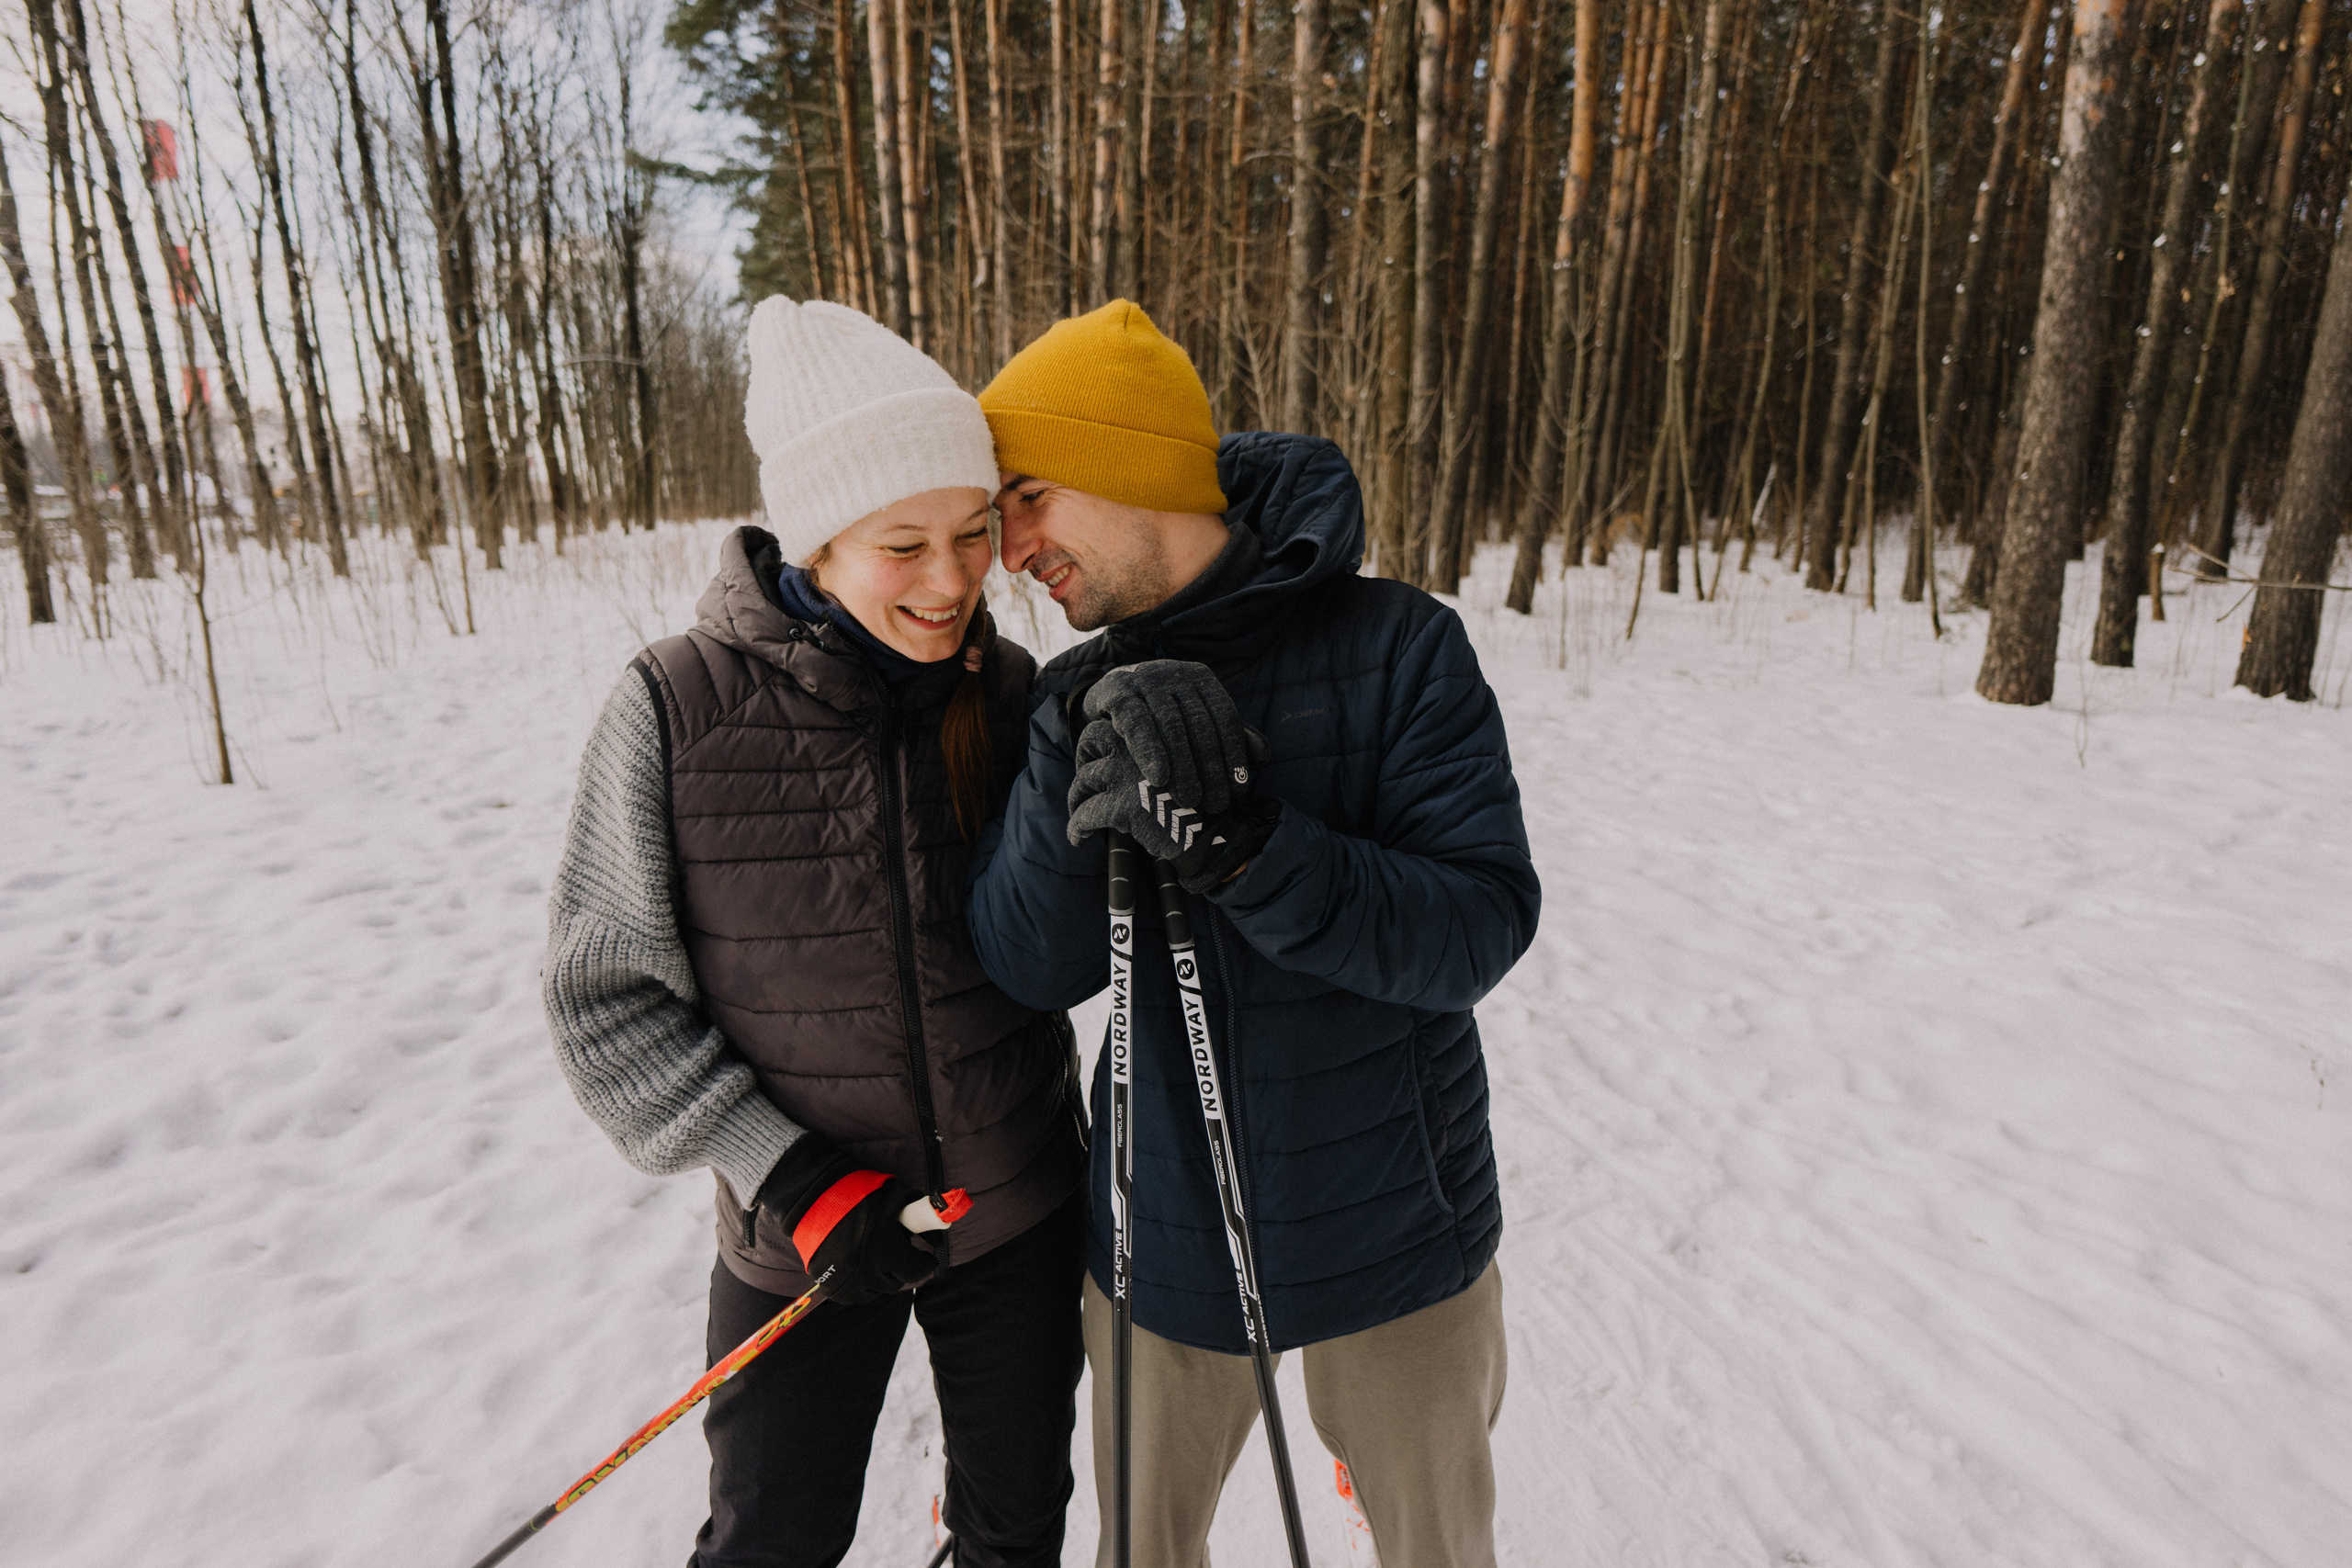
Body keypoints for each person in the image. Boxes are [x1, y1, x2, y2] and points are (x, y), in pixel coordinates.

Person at [967, 299, 1541, 1568]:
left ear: (1125, 467)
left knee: (1437, 1550)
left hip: (1395, 1220)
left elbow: (1479, 925)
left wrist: (1248, 845)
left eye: (1029, 496)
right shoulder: (1075, 697)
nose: (1011, 550)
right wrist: (1080, 780)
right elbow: (1026, 962)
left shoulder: (1400, 650)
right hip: (1157, 1222)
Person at [542, 298, 1088, 1568]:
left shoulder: (1012, 697)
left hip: (1012, 1211)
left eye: (970, 533)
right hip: (804, 1232)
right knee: (770, 1540)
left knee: (1017, 1534)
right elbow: (602, 1003)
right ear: (818, 542)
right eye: (903, 545)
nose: (952, 581)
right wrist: (794, 1180)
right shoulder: (676, 711)